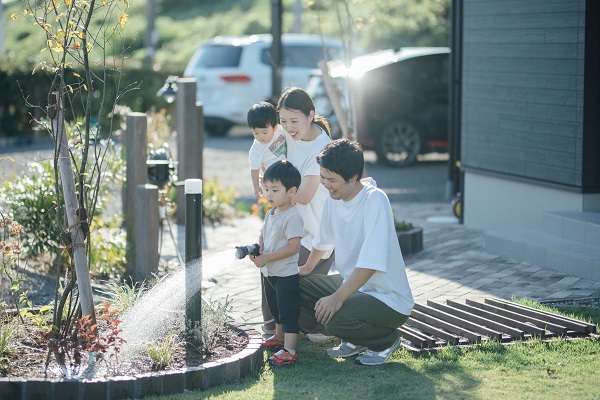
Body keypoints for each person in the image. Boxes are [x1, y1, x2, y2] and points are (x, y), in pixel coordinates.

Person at [298, 138, 414, 366]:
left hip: (388, 300)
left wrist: (337, 298)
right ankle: (354, 339)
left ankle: (385, 342)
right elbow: (322, 240)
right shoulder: (335, 198)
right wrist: (305, 269)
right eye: (323, 177)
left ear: (353, 177)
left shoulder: (375, 200)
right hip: (354, 287)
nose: (325, 185)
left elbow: (371, 263)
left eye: (332, 180)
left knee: (334, 317)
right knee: (290, 282)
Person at [277, 86, 336, 341]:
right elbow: (269, 161)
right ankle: (276, 328)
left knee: (289, 277)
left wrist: (276, 191)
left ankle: (323, 326)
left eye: (294, 121)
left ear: (311, 115)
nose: (288, 128)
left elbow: (305, 195)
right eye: (283, 121)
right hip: (295, 226)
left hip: (317, 234)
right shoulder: (287, 135)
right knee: (272, 266)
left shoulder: (321, 149)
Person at [249, 160, 303, 367]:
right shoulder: (271, 213)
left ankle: (289, 350)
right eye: (266, 189)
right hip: (269, 272)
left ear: (291, 191)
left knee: (288, 312)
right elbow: (263, 235)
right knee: (275, 309)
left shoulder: (292, 216)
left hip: (285, 274)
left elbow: (294, 247)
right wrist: (259, 248)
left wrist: (268, 257)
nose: (268, 194)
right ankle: (279, 339)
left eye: (274, 190)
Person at [247, 101, 287, 199]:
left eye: (264, 132)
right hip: (273, 179)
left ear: (275, 127)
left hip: (288, 171)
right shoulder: (256, 150)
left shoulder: (281, 131)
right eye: (256, 133)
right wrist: (256, 186)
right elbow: (254, 169)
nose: (260, 137)